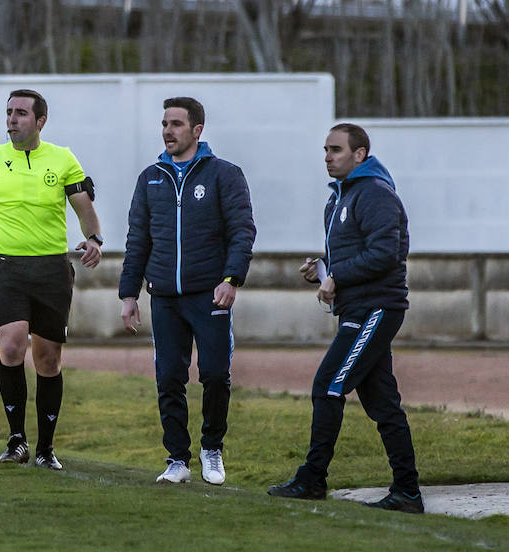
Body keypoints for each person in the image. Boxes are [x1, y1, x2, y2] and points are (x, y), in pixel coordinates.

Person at [267, 123, 423, 514]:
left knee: (328, 385)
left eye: (336, 150)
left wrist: (338, 276)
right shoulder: (338, 199)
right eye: (325, 149)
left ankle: (312, 480)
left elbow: (386, 253)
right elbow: (352, 256)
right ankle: (407, 491)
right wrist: (322, 270)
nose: (327, 157)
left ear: (360, 154)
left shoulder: (375, 194)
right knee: (383, 402)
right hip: (356, 308)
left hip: (377, 308)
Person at [0, 89, 104, 471]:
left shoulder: (63, 158)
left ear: (40, 121)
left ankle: (46, 448)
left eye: (20, 113)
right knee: (11, 346)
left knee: (48, 359)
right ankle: (16, 438)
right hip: (6, 269)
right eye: (8, 112)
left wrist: (94, 238)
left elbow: (84, 206)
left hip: (52, 270)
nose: (12, 119)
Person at [119, 97, 256, 485]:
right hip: (164, 297)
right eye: (164, 123)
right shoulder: (150, 178)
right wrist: (128, 294)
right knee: (168, 378)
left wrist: (231, 279)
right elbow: (138, 240)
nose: (168, 131)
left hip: (209, 295)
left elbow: (242, 231)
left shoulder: (224, 174)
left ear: (197, 130)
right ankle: (177, 459)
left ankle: (211, 449)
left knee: (214, 374)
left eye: (176, 124)